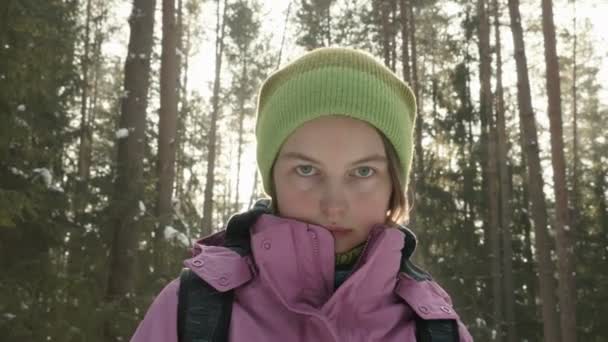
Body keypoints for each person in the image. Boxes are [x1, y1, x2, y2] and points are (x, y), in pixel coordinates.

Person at [130, 47, 473, 342]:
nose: (334, 204)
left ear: (393, 184)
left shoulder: (437, 330)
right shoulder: (191, 311)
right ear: (273, 178)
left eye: (363, 172)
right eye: (307, 170)